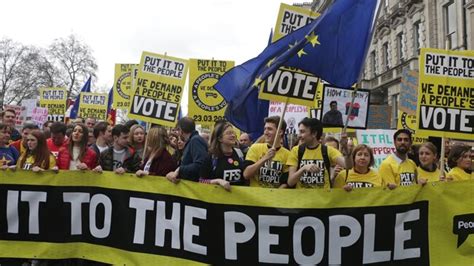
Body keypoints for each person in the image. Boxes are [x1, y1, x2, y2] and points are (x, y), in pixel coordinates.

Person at [287, 118, 346, 189]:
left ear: (314, 133)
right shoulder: (296, 150)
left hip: (323, 199)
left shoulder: (328, 150)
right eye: (299, 132)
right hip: (302, 199)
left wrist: (347, 149)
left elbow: (347, 165)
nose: (299, 135)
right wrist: (303, 169)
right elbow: (290, 182)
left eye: (302, 132)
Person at [243, 116, 290, 188]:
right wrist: (264, 158)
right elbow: (246, 174)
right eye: (265, 129)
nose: (265, 132)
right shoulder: (255, 148)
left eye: (270, 129)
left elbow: (286, 182)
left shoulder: (288, 154)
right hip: (255, 197)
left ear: (280, 132)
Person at [200, 122, 246, 190]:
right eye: (229, 133)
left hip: (238, 199)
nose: (233, 135)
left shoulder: (240, 154)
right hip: (217, 199)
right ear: (220, 138)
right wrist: (217, 181)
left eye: (233, 133)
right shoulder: (211, 157)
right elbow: (201, 181)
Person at [165, 117, 208, 183]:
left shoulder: (195, 140)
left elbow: (201, 164)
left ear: (181, 130)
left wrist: (180, 169)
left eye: (178, 130)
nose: (178, 134)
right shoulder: (192, 141)